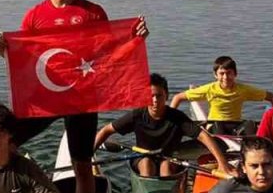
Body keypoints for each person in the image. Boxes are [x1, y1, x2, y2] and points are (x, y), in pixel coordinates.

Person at [0, 0, 148, 193]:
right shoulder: (35, 15)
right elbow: (24, 59)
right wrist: (3, 50)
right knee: (8, 143)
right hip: (46, 97)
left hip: (81, 98)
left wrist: (135, 38)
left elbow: (110, 52)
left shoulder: (93, 12)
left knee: (83, 163)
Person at [92, 72, 234, 177]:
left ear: (166, 96)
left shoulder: (177, 117)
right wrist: (88, 156)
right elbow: (105, 131)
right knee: (147, 163)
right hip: (143, 157)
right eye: (151, 96)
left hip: (171, 158)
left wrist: (222, 162)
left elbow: (203, 136)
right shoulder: (137, 115)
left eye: (159, 96)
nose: (155, 100)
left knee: (165, 166)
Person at [170, 56, 273, 135]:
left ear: (235, 74)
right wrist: (169, 121)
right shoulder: (209, 89)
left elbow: (272, 98)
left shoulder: (243, 90)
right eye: (222, 74)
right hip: (215, 125)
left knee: (250, 124)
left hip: (235, 125)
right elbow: (177, 98)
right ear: (215, 75)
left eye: (229, 73)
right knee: (218, 125)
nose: (225, 77)